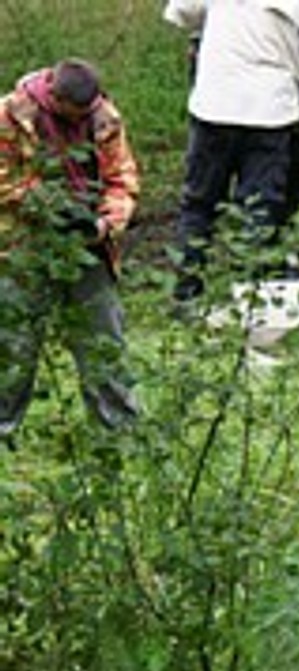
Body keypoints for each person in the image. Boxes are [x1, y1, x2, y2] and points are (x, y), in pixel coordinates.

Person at [162, 0, 299, 301]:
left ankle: (186, 294)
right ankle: (249, 297)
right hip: (269, 114)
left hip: (214, 107)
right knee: (259, 211)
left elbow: (180, 13)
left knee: (198, 206)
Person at [0, 59, 141, 439]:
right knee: (14, 346)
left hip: (88, 246)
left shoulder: (104, 117)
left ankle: (119, 433)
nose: (86, 118)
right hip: (22, 245)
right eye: (77, 113)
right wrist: (44, 204)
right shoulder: (11, 115)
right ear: (57, 99)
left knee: (103, 343)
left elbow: (122, 180)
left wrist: (103, 224)